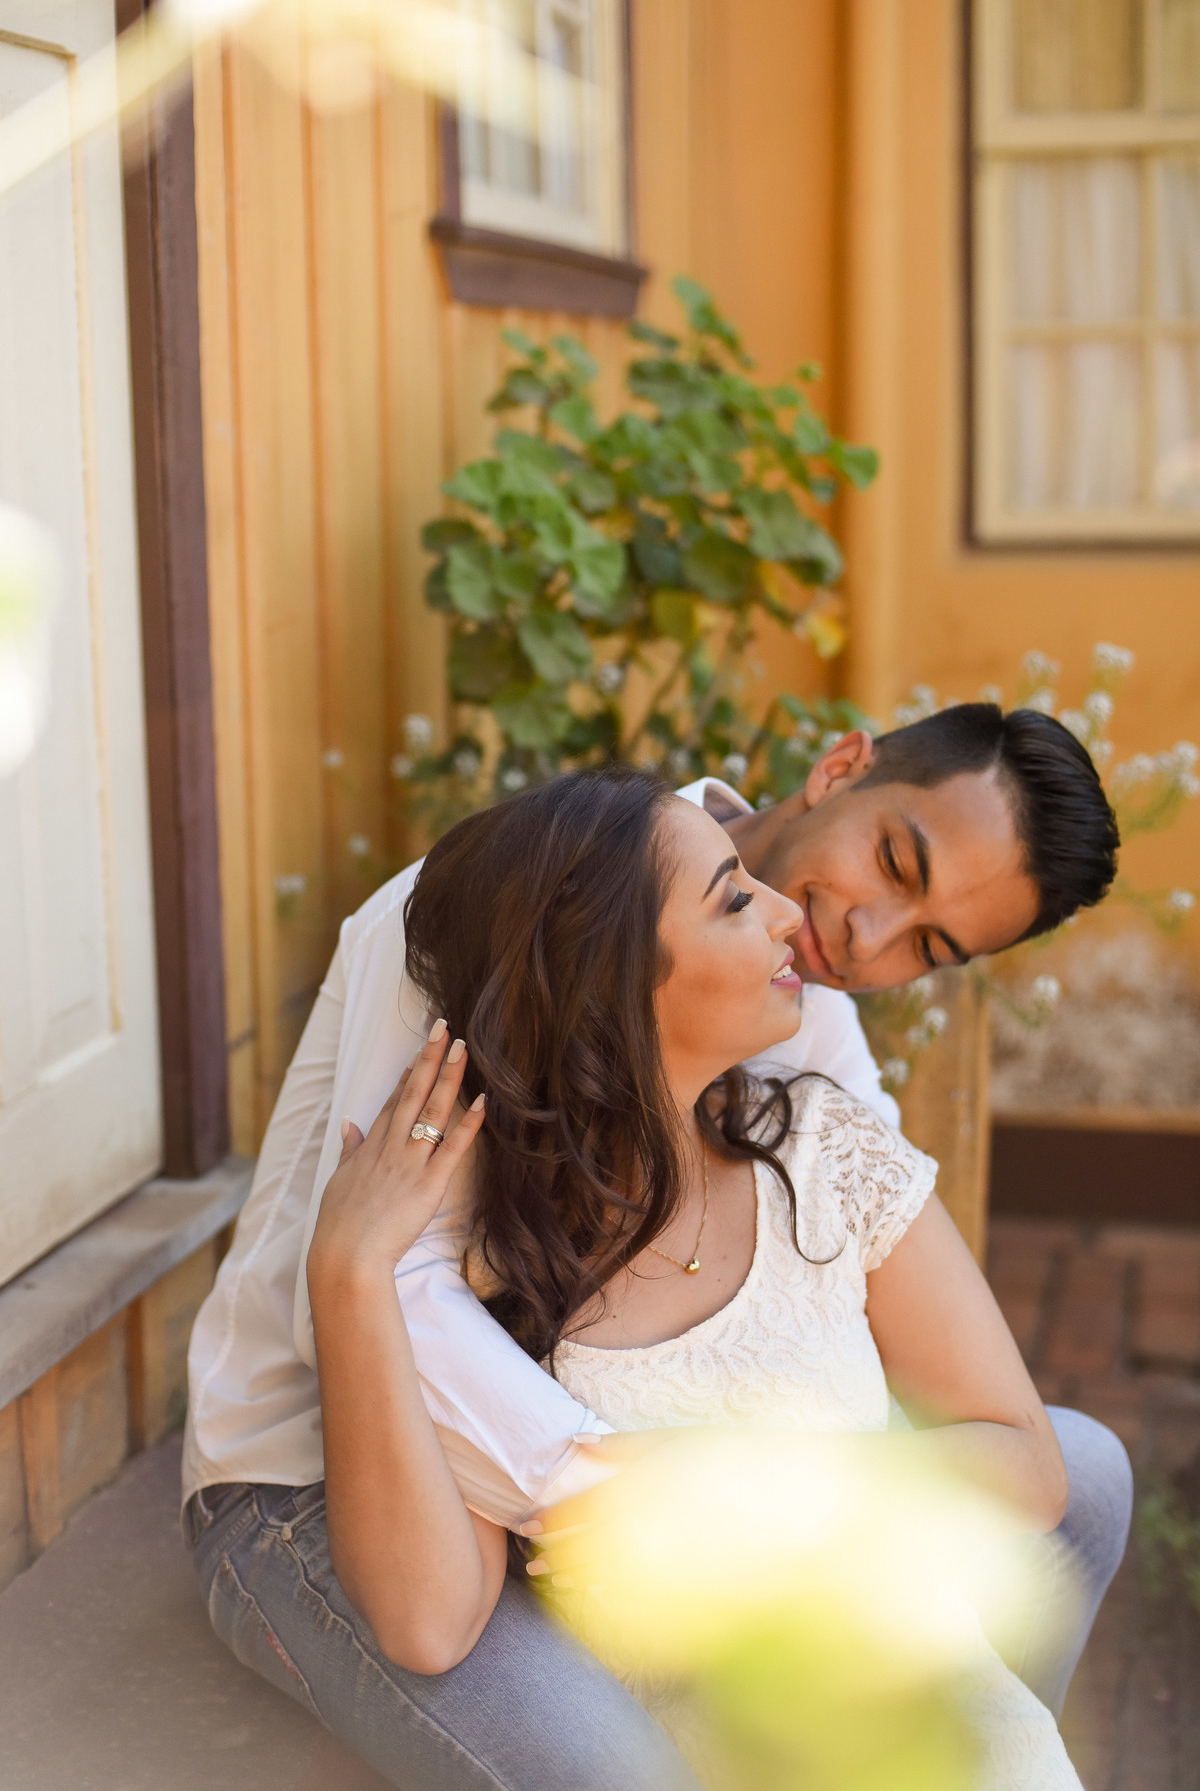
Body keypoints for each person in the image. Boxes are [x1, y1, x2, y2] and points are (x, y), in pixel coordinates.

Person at [184, 708, 1127, 1788]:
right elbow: (383, 1284)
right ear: (840, 769)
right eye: (895, 863)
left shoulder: (799, 1013)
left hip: (616, 1484)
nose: (870, 939)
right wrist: (630, 1488)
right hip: (314, 1467)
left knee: (1078, 1482)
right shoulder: (497, 910)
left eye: (928, 948)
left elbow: (861, 1237)